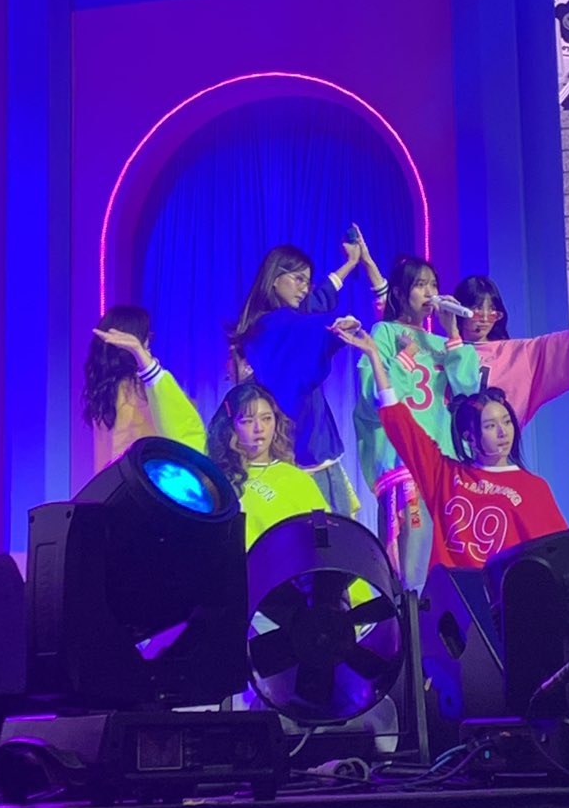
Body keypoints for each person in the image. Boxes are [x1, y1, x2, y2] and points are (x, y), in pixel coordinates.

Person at [336, 322, 567, 569]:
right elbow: (399, 422)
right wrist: (373, 354)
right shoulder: (445, 475)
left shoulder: (534, 488)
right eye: (490, 425)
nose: (503, 432)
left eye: (507, 421)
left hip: (503, 592)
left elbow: (561, 557)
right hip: (451, 591)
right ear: (470, 436)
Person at [228, 228, 386, 515]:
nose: (305, 289)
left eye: (308, 282)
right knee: (323, 531)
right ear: (274, 279)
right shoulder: (272, 326)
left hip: (304, 446)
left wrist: (351, 263)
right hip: (302, 447)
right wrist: (335, 330)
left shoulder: (285, 320)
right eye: (298, 279)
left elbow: (318, 300)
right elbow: (309, 330)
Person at [351, 255, 483, 587]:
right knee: (412, 569)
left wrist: (453, 333)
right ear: (399, 292)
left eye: (433, 284)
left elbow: (469, 389)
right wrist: (406, 357)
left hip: (443, 463)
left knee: (449, 560)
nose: (429, 292)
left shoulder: (442, 343)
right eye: (420, 285)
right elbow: (375, 396)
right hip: (405, 463)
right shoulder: (384, 332)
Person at [455, 272, 569, 425]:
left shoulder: (514, 355)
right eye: (477, 310)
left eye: (492, 313)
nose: (484, 319)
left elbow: (559, 347)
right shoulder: (444, 351)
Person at [205, 380, 329, 547]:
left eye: (266, 419)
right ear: (230, 428)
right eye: (247, 421)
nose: (259, 428)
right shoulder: (215, 479)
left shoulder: (299, 480)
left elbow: (326, 539)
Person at [83, 306, 205, 474]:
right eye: (147, 337)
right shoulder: (142, 385)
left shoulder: (103, 390)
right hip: (149, 476)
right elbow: (184, 428)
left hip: (115, 481)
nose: (149, 343)